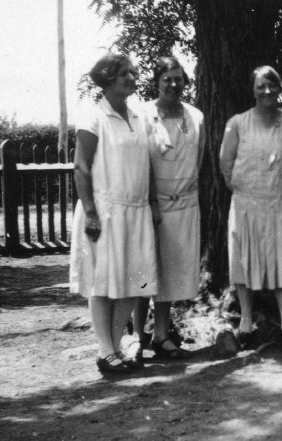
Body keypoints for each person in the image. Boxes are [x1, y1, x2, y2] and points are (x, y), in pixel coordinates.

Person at [69, 53, 159, 373]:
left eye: (134, 71)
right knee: (102, 282)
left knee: (131, 284)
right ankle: (105, 349)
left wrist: (151, 205)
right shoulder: (93, 116)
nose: (133, 77)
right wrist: (91, 213)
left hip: (135, 212)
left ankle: (117, 345)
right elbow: (81, 168)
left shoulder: (138, 118)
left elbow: (145, 167)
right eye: (125, 73)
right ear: (107, 79)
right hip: (104, 211)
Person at [220, 65, 282, 352]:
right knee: (244, 264)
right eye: (261, 86)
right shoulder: (237, 123)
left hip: (280, 206)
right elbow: (226, 164)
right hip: (247, 205)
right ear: (253, 89)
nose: (267, 91)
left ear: (279, 87)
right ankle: (245, 323)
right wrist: (246, 191)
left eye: (272, 85)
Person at [130, 56, 203, 360]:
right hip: (152, 204)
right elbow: (140, 161)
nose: (173, 84)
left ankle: (161, 334)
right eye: (166, 79)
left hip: (184, 205)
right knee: (145, 271)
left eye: (178, 78)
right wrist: (151, 202)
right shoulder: (142, 114)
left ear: (185, 82)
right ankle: (136, 336)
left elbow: (199, 159)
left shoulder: (196, 116)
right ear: (157, 81)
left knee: (171, 271)